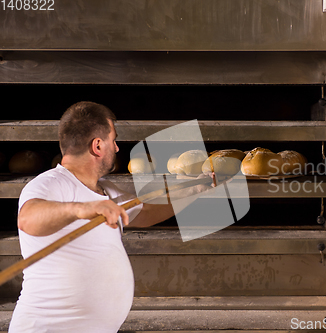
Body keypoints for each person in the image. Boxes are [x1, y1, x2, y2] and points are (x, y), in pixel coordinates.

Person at [8, 101, 211, 333]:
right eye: (113, 140)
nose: (116, 148)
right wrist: (82, 209)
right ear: (97, 146)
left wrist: (196, 189)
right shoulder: (51, 183)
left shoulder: (107, 190)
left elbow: (145, 212)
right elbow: (29, 219)